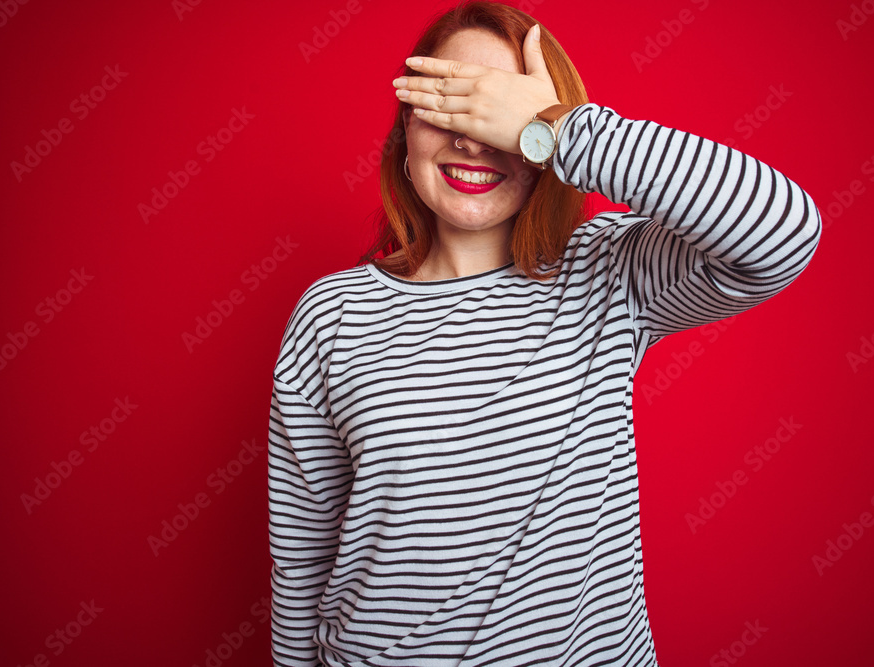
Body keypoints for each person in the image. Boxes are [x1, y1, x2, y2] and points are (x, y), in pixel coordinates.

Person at [267, 2, 821, 665]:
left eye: (498, 114)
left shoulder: (609, 273)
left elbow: (784, 231)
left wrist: (563, 130)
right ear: (407, 126)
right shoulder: (331, 314)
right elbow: (302, 554)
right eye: (452, 105)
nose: (474, 139)